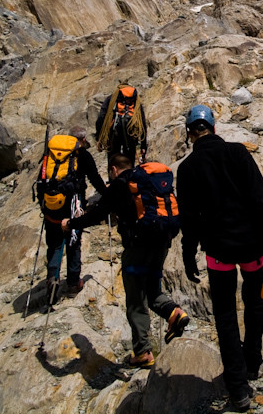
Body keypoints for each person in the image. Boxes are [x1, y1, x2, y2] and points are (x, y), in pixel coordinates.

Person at [176, 104, 263, 412]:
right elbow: (258, 195)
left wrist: (188, 253)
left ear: (190, 133)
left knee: (224, 315)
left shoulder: (187, 168)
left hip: (218, 252)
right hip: (250, 245)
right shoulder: (238, 153)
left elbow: (189, 219)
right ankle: (252, 362)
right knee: (255, 301)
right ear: (214, 128)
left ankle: (238, 389)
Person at [63, 153, 190, 368]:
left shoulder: (120, 185)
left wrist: (71, 224)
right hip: (161, 243)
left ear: (113, 169)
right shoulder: (146, 182)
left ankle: (142, 352)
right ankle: (174, 312)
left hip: (137, 247)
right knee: (152, 291)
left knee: (135, 300)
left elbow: (97, 215)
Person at [38, 126, 106, 305]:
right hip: (73, 205)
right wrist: (107, 194)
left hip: (51, 206)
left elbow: (41, 180)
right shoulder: (82, 154)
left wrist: (43, 206)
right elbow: (94, 178)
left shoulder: (51, 154)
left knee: (54, 243)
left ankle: (52, 277)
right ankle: (73, 283)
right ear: (82, 140)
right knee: (73, 241)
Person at [95, 84, 148, 167]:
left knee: (113, 159)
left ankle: (113, 177)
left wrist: (99, 138)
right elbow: (142, 124)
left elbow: (101, 119)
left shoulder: (111, 100)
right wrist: (143, 145)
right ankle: (129, 177)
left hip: (113, 136)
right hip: (130, 136)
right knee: (129, 160)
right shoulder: (135, 102)